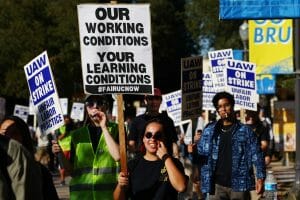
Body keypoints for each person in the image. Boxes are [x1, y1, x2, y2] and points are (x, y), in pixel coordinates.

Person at [197, 92, 266, 200]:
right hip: (216, 185)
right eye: (220, 107)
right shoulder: (210, 130)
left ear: (232, 106)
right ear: (217, 110)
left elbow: (257, 155)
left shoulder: (245, 130)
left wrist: (260, 178)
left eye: (226, 105)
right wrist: (192, 150)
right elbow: (200, 156)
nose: (223, 109)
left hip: (239, 184)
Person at [52, 94, 120, 200]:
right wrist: (59, 153)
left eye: (99, 103)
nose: (95, 106)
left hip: (108, 196)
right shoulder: (77, 134)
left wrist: (104, 127)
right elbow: (70, 171)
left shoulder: (117, 129)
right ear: (86, 108)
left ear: (106, 107)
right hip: (82, 196)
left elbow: (118, 156)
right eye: (90, 104)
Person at [113, 118, 188, 200]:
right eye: (148, 135)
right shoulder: (132, 165)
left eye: (158, 135)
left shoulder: (174, 163)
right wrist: (120, 186)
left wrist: (165, 157)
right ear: (143, 139)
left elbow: (181, 187)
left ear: (164, 138)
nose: (152, 139)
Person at [0, 115, 59, 200]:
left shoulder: (41, 172)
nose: (8, 138)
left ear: (24, 137)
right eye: (2, 134)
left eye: (13, 133)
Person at [128, 88, 179, 158]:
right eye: (151, 98)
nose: (154, 102)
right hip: (143, 163)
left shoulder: (168, 121)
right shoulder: (137, 121)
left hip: (164, 162)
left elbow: (173, 143)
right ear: (145, 101)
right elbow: (131, 144)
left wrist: (176, 158)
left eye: (157, 98)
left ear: (161, 101)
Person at [55, 115, 74, 186]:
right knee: (62, 165)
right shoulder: (59, 128)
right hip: (63, 149)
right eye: (65, 119)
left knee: (72, 165)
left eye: (67, 119)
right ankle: (62, 180)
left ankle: (74, 179)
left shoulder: (72, 127)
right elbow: (58, 138)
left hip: (72, 148)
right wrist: (65, 133)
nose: (66, 120)